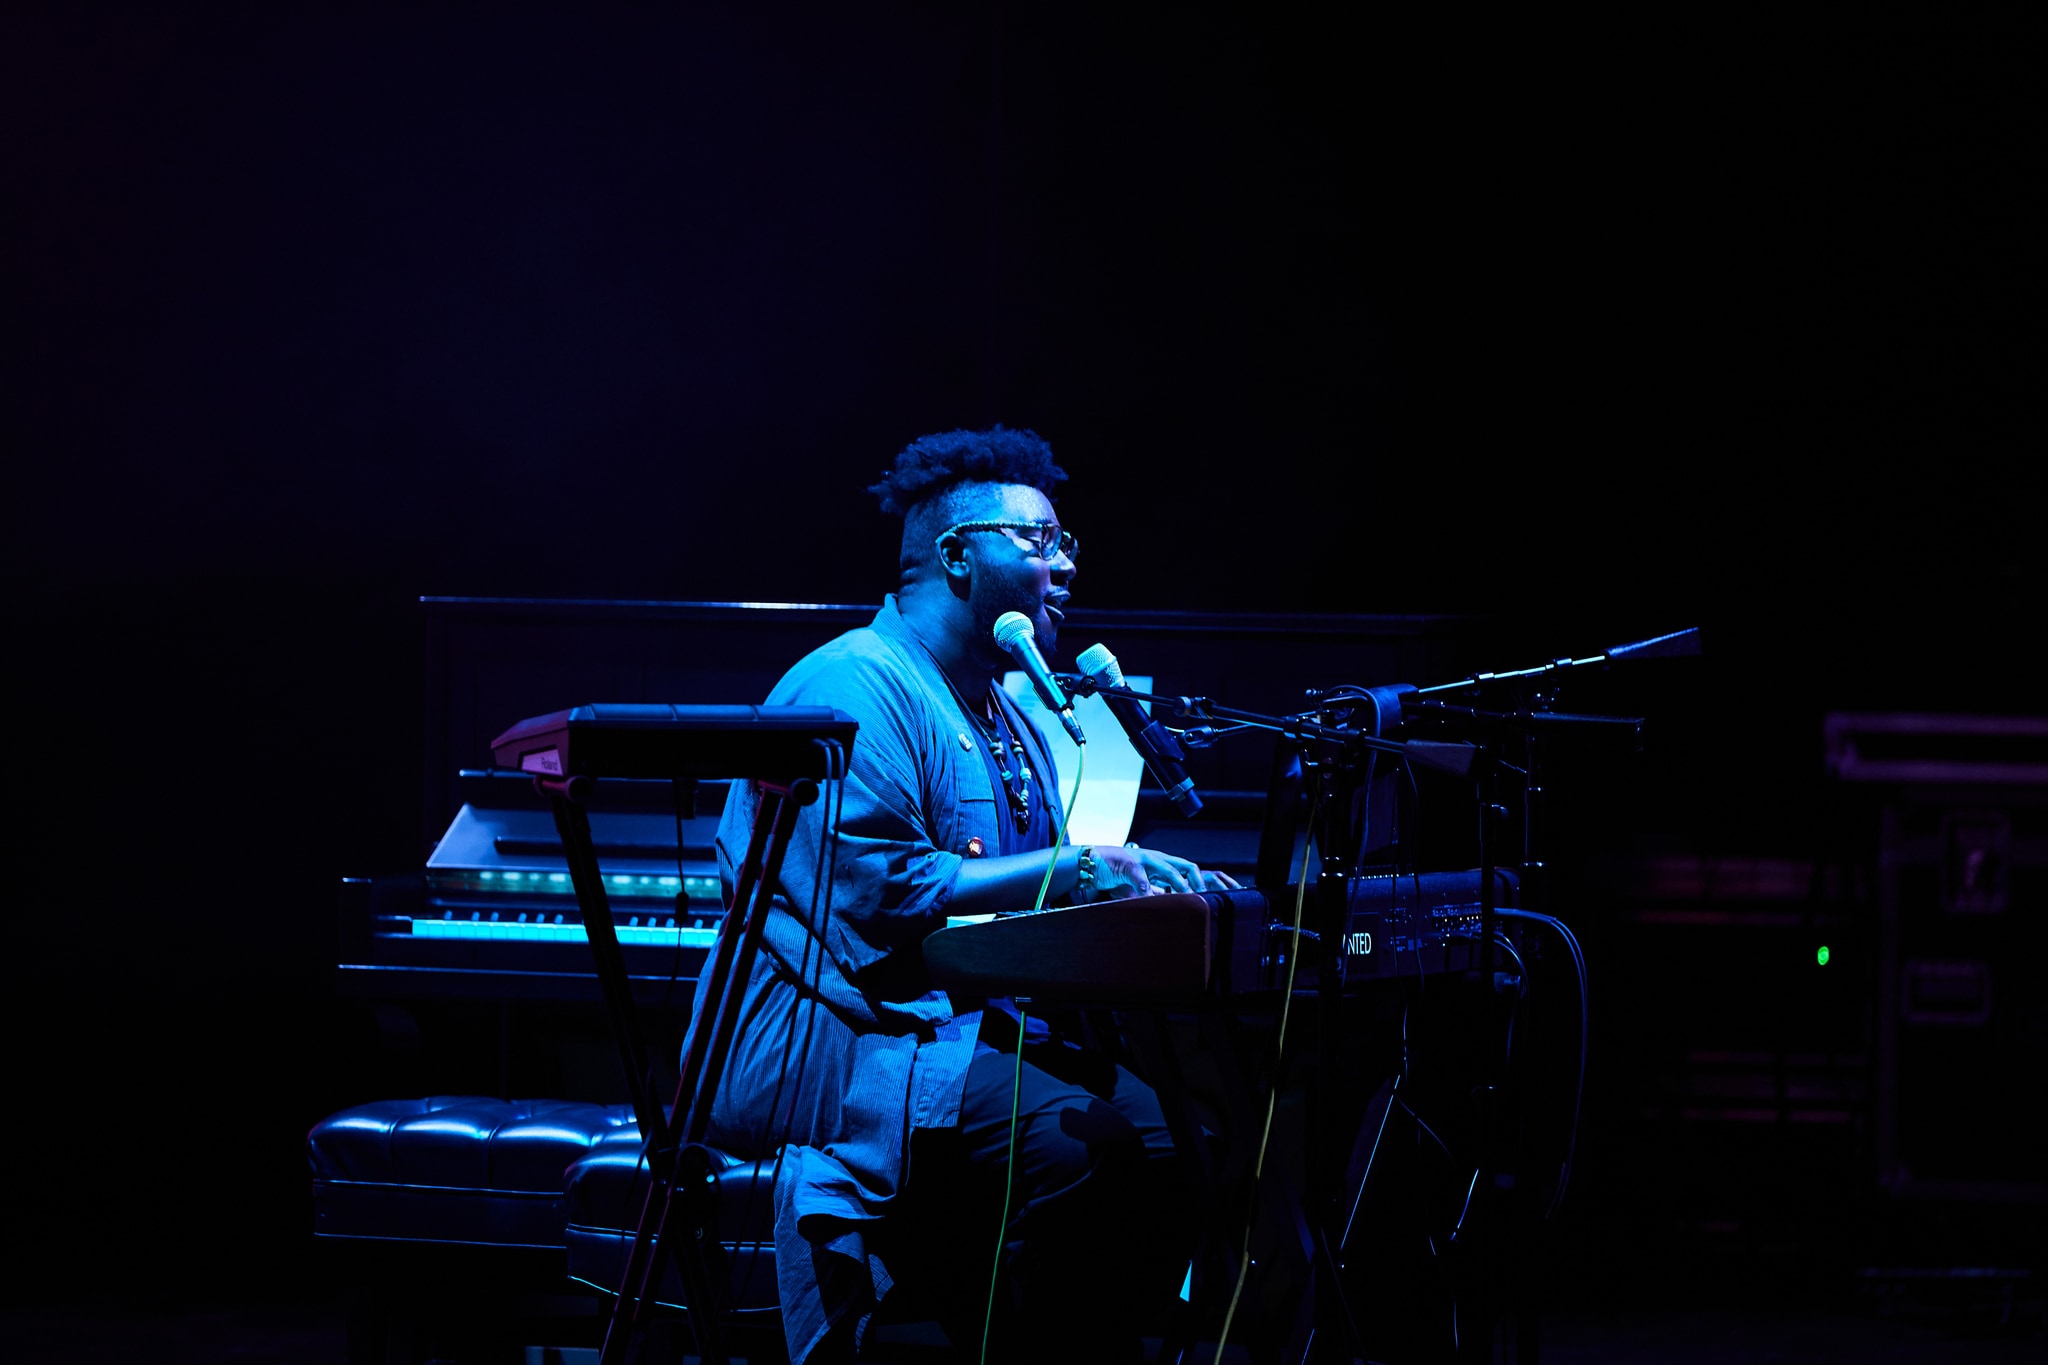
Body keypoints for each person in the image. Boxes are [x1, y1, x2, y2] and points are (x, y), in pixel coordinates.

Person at [686, 426, 1236, 1362]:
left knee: (1183, 1140)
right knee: (1082, 1152)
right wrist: (1076, 868)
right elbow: (885, 887)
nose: (1063, 564)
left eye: (1066, 543)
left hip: (953, 1030)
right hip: (842, 1042)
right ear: (954, 553)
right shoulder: (854, 678)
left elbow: (1041, 882)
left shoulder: (1006, 703)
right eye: (1037, 540)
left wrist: (1156, 887)